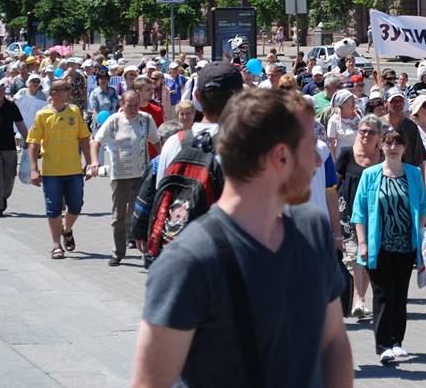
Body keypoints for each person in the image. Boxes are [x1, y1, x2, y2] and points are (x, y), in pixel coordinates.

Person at [130, 88, 354, 388]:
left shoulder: (311, 230)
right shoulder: (189, 261)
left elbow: (334, 341)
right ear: (280, 157)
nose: (317, 161)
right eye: (311, 148)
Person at [351, 126, 426, 365]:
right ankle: (383, 344)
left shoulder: (413, 173)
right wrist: (362, 243)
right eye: (388, 143)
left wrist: (419, 231)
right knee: (383, 295)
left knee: (400, 295)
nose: (393, 147)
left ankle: (397, 341)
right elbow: (359, 211)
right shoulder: (370, 174)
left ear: (404, 147)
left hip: (406, 246)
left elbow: (423, 206)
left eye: (397, 143)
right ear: (381, 146)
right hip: (379, 246)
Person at [27, 79, 97, 260]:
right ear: (54, 93)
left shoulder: (74, 111)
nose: (69, 91)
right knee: (54, 208)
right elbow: (33, 143)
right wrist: (34, 169)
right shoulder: (42, 115)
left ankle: (66, 229)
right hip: (51, 172)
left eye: (68, 88)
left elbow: (84, 138)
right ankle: (56, 245)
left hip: (74, 170)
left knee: (76, 205)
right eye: (65, 89)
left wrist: (90, 163)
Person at [91, 90, 160, 266]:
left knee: (141, 215)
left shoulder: (146, 120)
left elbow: (157, 142)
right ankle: (118, 252)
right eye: (130, 105)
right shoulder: (114, 121)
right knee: (118, 217)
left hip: (141, 175)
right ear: (122, 104)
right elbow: (96, 142)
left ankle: (146, 253)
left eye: (137, 104)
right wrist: (94, 161)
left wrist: (162, 162)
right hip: (120, 176)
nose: (134, 108)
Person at [157, 62, 244, 183]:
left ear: (197, 96)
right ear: (240, 97)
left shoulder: (173, 143)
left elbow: (160, 189)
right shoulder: (247, 148)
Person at [337, 115, 384, 319]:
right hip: (348, 211)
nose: (366, 135)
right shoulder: (347, 154)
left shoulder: (383, 157)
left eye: (371, 132)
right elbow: (334, 184)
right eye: (363, 130)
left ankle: (360, 299)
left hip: (374, 212)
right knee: (356, 255)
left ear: (379, 135)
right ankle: (358, 299)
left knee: (367, 256)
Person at [0, 79, 27, 217]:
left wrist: (28, 139)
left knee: (9, 178)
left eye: (3, 90)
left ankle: (3, 197)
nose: (2, 92)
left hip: (9, 147)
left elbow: (20, 123)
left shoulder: (11, 106)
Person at [382, 88, 426, 167]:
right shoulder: (377, 125)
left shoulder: (411, 127)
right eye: (394, 101)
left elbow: (418, 158)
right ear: (385, 103)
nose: (398, 104)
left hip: (406, 172)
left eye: (401, 101)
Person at [327, 89, 361, 158]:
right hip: (342, 158)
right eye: (350, 100)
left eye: (353, 99)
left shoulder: (360, 115)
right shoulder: (334, 120)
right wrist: (334, 161)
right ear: (341, 104)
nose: (353, 102)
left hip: (359, 156)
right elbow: (331, 144)